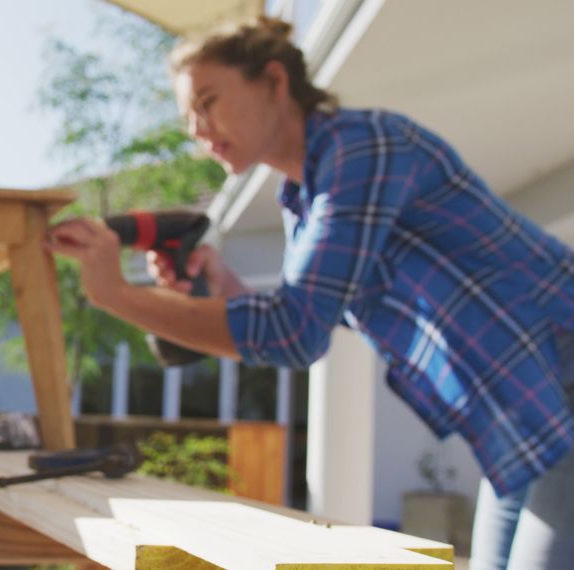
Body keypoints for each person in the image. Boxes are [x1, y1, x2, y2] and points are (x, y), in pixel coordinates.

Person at [44, 16, 574, 570]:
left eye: (209, 101)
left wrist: (116, 295)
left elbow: (293, 332)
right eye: (188, 117)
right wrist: (226, 290)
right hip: (523, 417)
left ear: (274, 80)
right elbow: (330, 318)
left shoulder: (364, 147)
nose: (198, 129)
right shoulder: (304, 198)